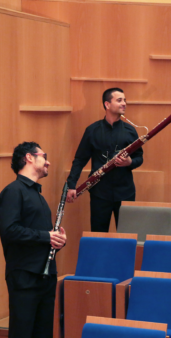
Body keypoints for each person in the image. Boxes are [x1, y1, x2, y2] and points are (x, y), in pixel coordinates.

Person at [0, 142, 67, 338]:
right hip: (24, 278)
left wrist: (56, 240)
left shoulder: (37, 195)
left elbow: (39, 239)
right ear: (29, 158)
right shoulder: (13, 192)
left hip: (45, 277)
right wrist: (46, 236)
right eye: (44, 157)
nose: (48, 162)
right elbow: (10, 231)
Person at [66, 87, 143, 232]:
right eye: (119, 100)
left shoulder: (130, 131)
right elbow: (80, 159)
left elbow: (139, 157)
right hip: (100, 193)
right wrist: (71, 185)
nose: (124, 103)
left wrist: (130, 163)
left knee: (127, 236)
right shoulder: (92, 130)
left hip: (125, 192)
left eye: (125, 100)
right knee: (98, 235)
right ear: (107, 105)